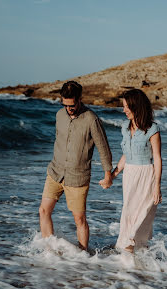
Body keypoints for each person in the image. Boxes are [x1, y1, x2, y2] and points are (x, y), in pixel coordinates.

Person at [39, 81, 113, 251]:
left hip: (77, 177)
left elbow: (103, 148)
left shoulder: (92, 120)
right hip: (55, 172)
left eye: (72, 105)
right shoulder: (59, 115)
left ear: (80, 99)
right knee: (43, 211)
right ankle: (49, 253)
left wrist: (108, 174)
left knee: (79, 220)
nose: (69, 109)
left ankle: (82, 257)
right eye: (65, 105)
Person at [111, 88, 162, 253]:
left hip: (146, 173)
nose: (124, 110)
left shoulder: (151, 129)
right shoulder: (125, 127)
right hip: (130, 174)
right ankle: (133, 254)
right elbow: (126, 155)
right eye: (123, 106)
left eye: (127, 106)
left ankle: (132, 247)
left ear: (137, 106)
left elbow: (157, 158)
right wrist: (113, 174)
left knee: (142, 212)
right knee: (129, 212)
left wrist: (157, 186)